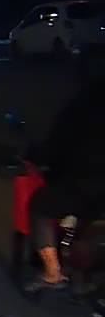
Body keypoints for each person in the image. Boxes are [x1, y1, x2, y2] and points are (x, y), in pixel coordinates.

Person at [25, 73, 105, 290]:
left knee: (40, 205)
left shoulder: (80, 110)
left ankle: (52, 274)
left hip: (87, 184)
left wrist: (35, 155)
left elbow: (56, 148)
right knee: (87, 216)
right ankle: (83, 269)